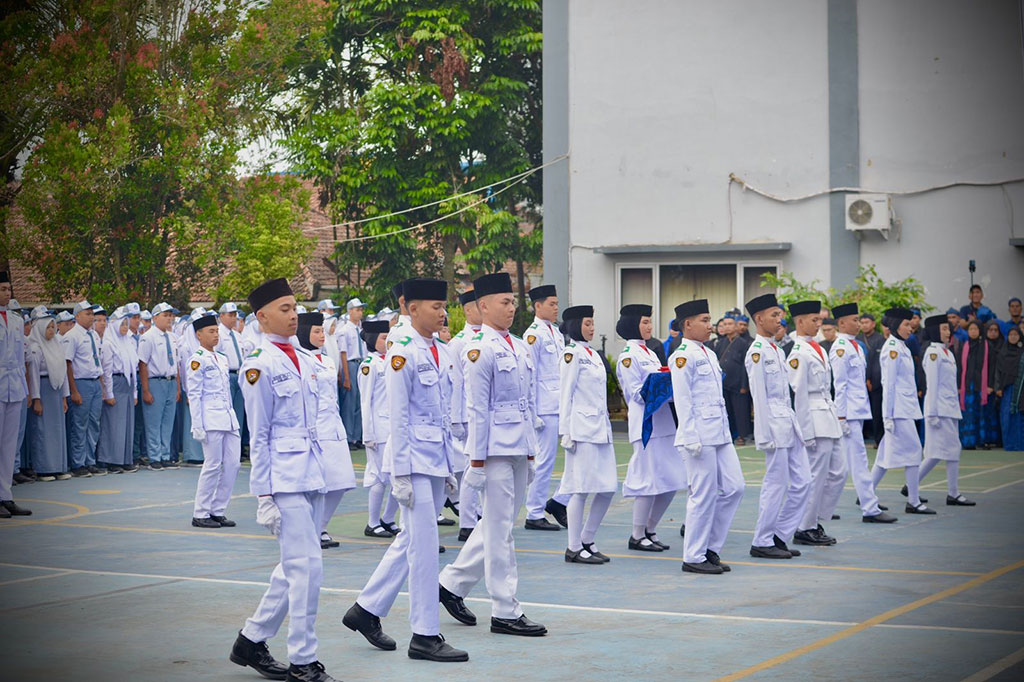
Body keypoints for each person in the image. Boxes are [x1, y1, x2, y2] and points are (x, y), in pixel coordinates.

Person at [343, 278, 468, 663]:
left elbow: (442, 415)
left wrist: (449, 467)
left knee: (412, 542)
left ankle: (365, 610)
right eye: (434, 306)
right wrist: (397, 473)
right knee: (425, 549)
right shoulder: (402, 351)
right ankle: (425, 634)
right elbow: (397, 417)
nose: (442, 312)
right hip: (412, 463)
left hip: (433, 461)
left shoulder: (440, 351)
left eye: (443, 306)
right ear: (410, 308)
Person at [229, 278, 337, 682]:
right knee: (307, 569)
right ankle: (303, 659)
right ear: (262, 317)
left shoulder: (305, 360)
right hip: (283, 481)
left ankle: (251, 639)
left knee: (295, 566)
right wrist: (264, 495)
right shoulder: (260, 364)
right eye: (285, 309)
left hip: (310, 477)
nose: (293, 315)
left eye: (295, 308)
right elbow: (258, 435)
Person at [438, 272, 547, 637]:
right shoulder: (479, 349)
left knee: (497, 525)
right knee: (500, 532)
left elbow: (527, 402)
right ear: (483, 306)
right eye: (504, 301)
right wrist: (478, 462)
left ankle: (451, 584)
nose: (512, 307)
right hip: (495, 450)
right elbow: (478, 410)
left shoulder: (520, 345)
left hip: (519, 446)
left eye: (514, 301)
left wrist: (532, 454)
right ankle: (505, 609)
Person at [670, 299, 744, 574]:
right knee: (703, 495)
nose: (709, 325)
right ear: (687, 324)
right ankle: (694, 556)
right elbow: (683, 399)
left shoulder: (709, 354)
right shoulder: (682, 355)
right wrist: (690, 436)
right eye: (704, 320)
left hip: (720, 432)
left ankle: (710, 547)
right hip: (698, 436)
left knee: (736, 488)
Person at [744, 293, 811, 559]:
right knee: (776, 484)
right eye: (774, 315)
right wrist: (763, 434)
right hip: (773, 426)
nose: (779, 319)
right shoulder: (758, 352)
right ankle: (762, 540)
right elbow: (758, 397)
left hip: (789, 423)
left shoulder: (775, 348)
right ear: (759, 319)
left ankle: (780, 535)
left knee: (803, 481)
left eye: (779, 314)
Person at [615, 303, 686, 553]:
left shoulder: (651, 352)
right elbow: (635, 393)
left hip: (665, 423)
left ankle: (650, 528)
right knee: (647, 481)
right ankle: (637, 534)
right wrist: (663, 383)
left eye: (649, 322)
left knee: (672, 480)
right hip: (646, 426)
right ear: (632, 323)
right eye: (644, 322)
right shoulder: (628, 356)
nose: (649, 326)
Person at [555, 304, 617, 564]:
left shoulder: (592, 354)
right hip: (581, 431)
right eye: (587, 323)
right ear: (574, 325)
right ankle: (573, 547)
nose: (592, 328)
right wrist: (565, 432)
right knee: (579, 490)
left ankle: (587, 539)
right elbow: (565, 394)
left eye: (593, 323)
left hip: (600, 429)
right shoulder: (571, 355)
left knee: (608, 488)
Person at [828, 303, 896, 523]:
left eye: (859, 320)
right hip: (848, 413)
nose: (858, 324)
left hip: (857, 410)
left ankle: (824, 508)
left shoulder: (855, 346)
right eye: (854, 320)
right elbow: (840, 385)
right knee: (855, 462)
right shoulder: (840, 347)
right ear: (841, 323)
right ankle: (870, 508)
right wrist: (841, 416)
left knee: (843, 465)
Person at [295, 312, 357, 548]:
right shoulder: (300, 360)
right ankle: (311, 529)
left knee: (341, 481)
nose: (322, 336)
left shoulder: (327, 360)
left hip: (334, 427)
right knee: (318, 484)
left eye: (322, 331)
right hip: (315, 429)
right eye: (316, 331)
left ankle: (320, 525)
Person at [786, 301, 844, 547]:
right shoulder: (798, 351)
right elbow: (798, 393)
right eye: (814, 320)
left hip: (827, 416)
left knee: (838, 472)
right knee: (815, 476)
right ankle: (804, 527)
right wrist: (805, 431)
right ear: (799, 322)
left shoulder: (817, 347)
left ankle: (816, 518)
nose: (819, 324)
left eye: (820, 320)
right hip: (813, 418)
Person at [870, 308, 934, 514]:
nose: (910, 327)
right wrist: (887, 416)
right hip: (898, 411)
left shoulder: (901, 346)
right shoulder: (892, 349)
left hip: (905, 408)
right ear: (896, 325)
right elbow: (888, 385)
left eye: (910, 324)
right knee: (915, 451)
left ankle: (866, 494)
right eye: (906, 324)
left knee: (883, 456)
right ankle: (913, 501)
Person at [186, 314, 242, 528]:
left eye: (217, 331)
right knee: (212, 465)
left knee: (233, 464)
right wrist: (197, 424)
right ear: (199, 335)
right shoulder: (197, 359)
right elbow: (195, 394)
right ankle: (200, 513)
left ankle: (217, 510)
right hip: (210, 419)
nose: (216, 335)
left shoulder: (222, 358)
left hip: (228, 418)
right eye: (211, 331)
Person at [522, 284, 570, 531]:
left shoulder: (556, 333)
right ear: (537, 306)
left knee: (564, 458)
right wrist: (534, 412)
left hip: (560, 403)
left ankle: (555, 502)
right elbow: (530, 374)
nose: (555, 308)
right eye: (551, 304)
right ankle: (534, 512)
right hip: (545, 407)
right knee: (544, 460)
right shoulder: (533, 335)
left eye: (556, 304)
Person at [916, 315, 975, 507]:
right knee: (945, 451)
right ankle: (952, 493)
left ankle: (912, 485)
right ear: (934, 331)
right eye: (943, 329)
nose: (948, 332)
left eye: (948, 329)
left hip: (949, 408)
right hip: (939, 410)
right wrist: (931, 413)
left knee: (940, 452)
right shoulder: (933, 353)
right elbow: (931, 386)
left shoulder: (946, 353)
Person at [358, 320, 400, 539]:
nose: (388, 342)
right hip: (378, 428)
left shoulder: (392, 361)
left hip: (393, 426)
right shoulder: (369, 365)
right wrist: (368, 434)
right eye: (384, 338)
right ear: (374, 340)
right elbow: (366, 402)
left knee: (397, 474)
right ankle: (372, 522)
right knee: (379, 477)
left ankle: (389, 518)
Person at [449, 290, 485, 540]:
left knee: (487, 468)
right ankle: (467, 521)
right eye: (478, 307)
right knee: (472, 468)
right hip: (467, 414)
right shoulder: (459, 342)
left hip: (486, 414)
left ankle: (481, 514)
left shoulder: (489, 338)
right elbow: (455, 383)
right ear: (468, 311)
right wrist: (456, 419)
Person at [0, 271, 32, 517]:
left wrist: (26, 389)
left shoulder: (16, 320)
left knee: (9, 445)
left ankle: (6, 495)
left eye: (8, 289)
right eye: (2, 289)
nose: (6, 293)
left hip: (14, 386)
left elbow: (21, 358)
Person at [26, 310, 71, 482]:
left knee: (57, 429)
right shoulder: (35, 347)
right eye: (48, 327)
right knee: (43, 429)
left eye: (53, 327)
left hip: (56, 390)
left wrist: (64, 397)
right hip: (43, 389)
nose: (51, 331)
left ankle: (58, 467)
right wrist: (36, 399)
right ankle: (44, 469)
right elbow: (34, 376)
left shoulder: (56, 345)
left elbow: (63, 372)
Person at [64, 301, 106, 476]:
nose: (91, 317)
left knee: (94, 423)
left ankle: (90, 460)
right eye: (87, 314)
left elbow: (98, 361)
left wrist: (102, 386)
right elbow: (68, 363)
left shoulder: (94, 335)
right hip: (81, 382)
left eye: (92, 314)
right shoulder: (72, 336)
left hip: (95, 382)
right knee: (79, 424)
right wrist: (73, 390)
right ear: (77, 316)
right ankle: (78, 462)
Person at [138, 302, 181, 470]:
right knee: (154, 422)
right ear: (155, 317)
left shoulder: (172, 337)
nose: (169, 318)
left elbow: (176, 364)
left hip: (170, 381)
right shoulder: (148, 337)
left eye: (171, 315)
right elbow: (143, 364)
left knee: (167, 422)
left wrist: (177, 387)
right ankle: (154, 457)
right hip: (156, 381)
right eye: (165, 315)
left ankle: (165, 455)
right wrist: (146, 389)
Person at [98, 307, 139, 473]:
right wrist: (108, 393)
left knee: (127, 423)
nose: (125, 327)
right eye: (122, 324)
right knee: (113, 423)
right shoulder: (109, 343)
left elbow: (133, 368)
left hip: (128, 384)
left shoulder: (128, 342)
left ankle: (124, 458)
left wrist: (135, 392)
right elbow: (106, 370)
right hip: (115, 382)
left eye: (126, 324)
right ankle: (111, 460)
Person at [957, 320, 996, 450]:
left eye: (975, 329)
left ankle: (982, 440)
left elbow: (992, 367)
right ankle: (969, 442)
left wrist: (990, 385)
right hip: (967, 386)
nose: (973, 332)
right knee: (968, 413)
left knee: (983, 413)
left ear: (980, 330)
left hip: (982, 386)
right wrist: (958, 385)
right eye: (970, 329)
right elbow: (959, 368)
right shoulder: (964, 346)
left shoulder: (987, 346)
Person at [216, 302, 247, 440]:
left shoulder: (237, 335)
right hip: (227, 375)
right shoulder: (218, 333)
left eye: (235, 315)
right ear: (221, 316)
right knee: (227, 412)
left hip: (239, 374)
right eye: (230, 315)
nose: (234, 318)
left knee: (239, 412)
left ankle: (237, 445)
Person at [339, 297, 366, 450]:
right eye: (357, 309)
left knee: (359, 402)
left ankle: (357, 436)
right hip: (350, 364)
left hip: (361, 363)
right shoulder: (344, 330)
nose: (360, 312)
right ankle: (348, 437)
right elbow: (343, 353)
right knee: (349, 402)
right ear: (350, 311)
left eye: (361, 310)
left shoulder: (361, 330)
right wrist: (346, 376)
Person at [996, 326, 1023, 450]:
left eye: (1015, 335)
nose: (1013, 337)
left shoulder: (1022, 352)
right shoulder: (1003, 352)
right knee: (1007, 417)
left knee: (1018, 417)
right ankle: (1009, 444)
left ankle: (1019, 444)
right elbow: (998, 372)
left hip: (1020, 390)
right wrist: (998, 388)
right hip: (1006, 390)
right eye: (1011, 335)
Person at [982, 320, 1004, 448]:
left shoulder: (1003, 345)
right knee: (989, 413)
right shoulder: (983, 346)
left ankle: (1000, 440)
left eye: (996, 330)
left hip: (1001, 383)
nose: (993, 333)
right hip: (988, 385)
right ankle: (989, 439)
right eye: (990, 330)